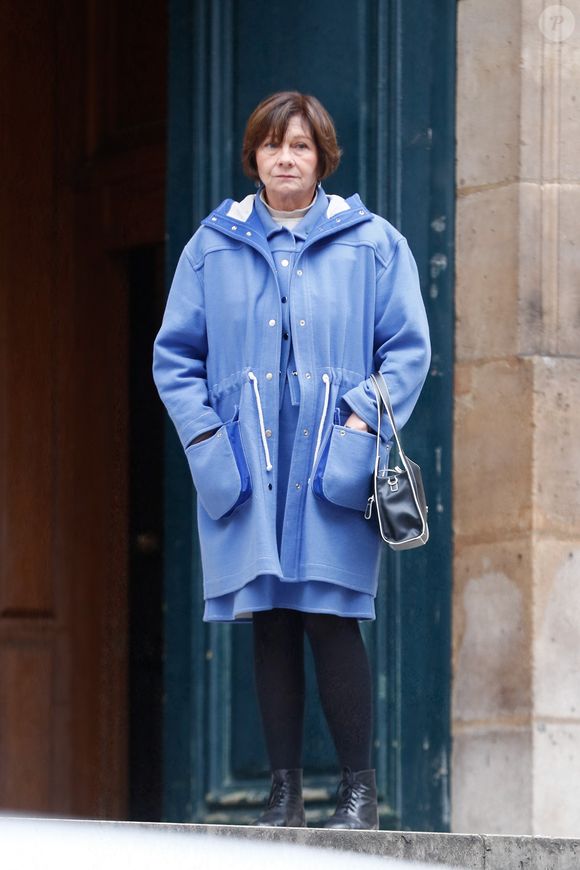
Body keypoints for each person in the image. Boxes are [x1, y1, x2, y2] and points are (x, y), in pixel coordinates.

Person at [153, 91, 431, 830]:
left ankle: (358, 794)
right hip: (247, 465)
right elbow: (174, 358)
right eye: (273, 146)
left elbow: (407, 352)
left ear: (322, 157)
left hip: (329, 461)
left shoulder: (374, 243)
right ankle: (283, 797)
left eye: (301, 146)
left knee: (332, 616)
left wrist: (359, 418)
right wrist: (209, 438)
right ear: (254, 156)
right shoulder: (211, 245)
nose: (286, 158)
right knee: (270, 619)